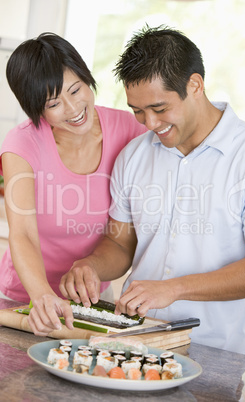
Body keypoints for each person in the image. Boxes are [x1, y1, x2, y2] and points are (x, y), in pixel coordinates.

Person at [59, 25, 245, 355]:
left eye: (159, 108)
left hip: (216, 350)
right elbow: (119, 242)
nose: (149, 124)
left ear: (195, 85)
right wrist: (91, 266)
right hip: (135, 340)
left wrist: (175, 289)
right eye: (137, 111)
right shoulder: (134, 155)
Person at [0, 33, 146, 336]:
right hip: (26, 297)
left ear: (86, 77)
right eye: (53, 103)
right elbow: (23, 233)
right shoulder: (22, 143)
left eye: (76, 89)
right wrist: (41, 295)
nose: (72, 108)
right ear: (35, 109)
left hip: (92, 299)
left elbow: (126, 232)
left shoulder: (130, 130)